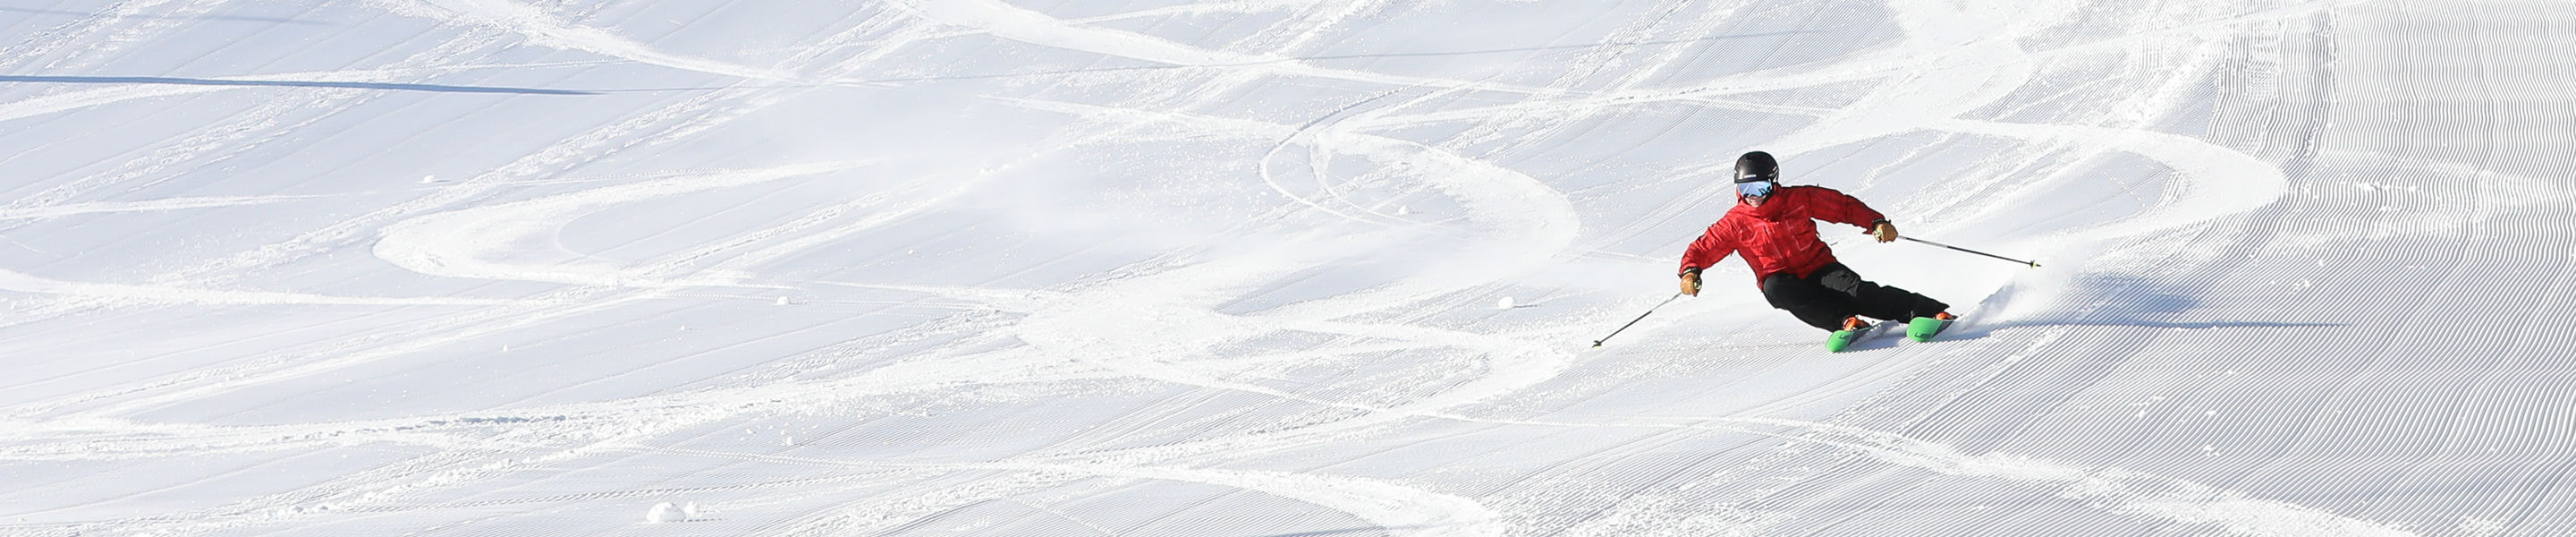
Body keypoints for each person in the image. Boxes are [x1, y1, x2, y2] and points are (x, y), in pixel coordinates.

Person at [1676, 151, 1953, 349]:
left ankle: (1928, 311)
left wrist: (1876, 221)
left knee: (1858, 292)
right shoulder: (1734, 223)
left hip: (1819, 266)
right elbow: (1703, 248)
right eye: (1745, 188)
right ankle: (1846, 322)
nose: (1753, 196)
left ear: (1773, 183)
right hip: (1784, 280)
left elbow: (1842, 206)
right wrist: (1690, 272)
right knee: (1776, 291)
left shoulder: (1798, 199)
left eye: (1759, 187)